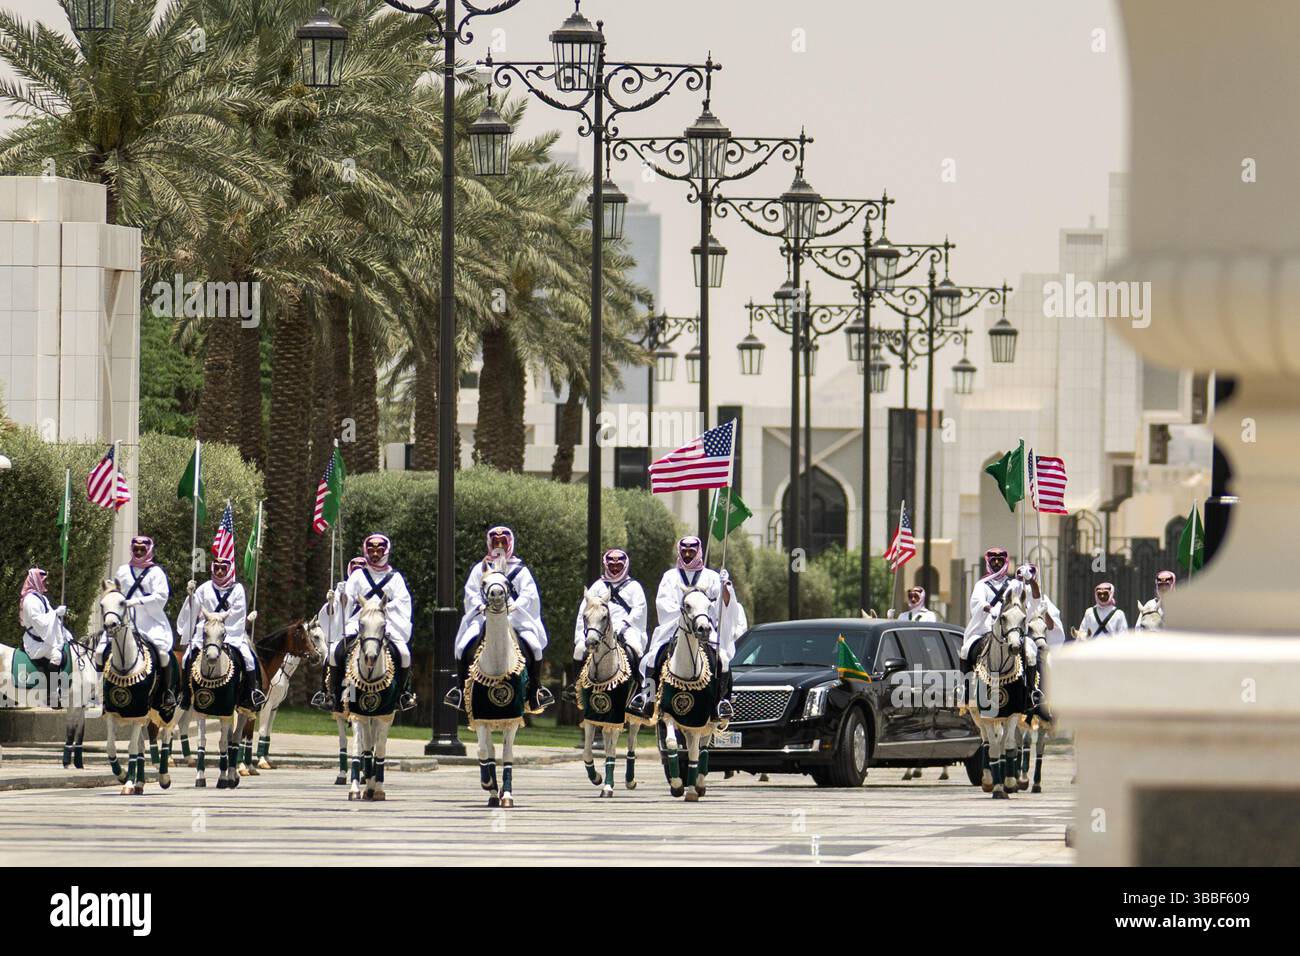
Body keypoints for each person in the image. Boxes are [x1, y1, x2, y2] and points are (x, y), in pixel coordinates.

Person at [632, 536, 741, 720]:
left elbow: (724, 605)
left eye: (692, 551)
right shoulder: (670, 576)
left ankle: (723, 701)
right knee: (652, 658)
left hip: (703, 626)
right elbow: (663, 603)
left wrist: (726, 588)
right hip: (676, 625)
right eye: (685, 551)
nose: (688, 554)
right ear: (679, 552)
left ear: (698, 552)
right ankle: (647, 698)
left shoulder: (712, 577)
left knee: (723, 658)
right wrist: (685, 614)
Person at [447, 526, 551, 712]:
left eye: (504, 542)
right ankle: (461, 692)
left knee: (535, 647)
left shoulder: (520, 570)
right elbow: (471, 592)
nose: (500, 546)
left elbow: (530, 594)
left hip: (515, 618)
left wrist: (516, 605)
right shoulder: (480, 568)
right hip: (484, 617)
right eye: (497, 543)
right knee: (462, 646)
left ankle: (536, 691)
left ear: (510, 544)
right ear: (490, 544)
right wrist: (478, 605)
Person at [97, 536, 176, 712]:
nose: (138, 552)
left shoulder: (156, 572)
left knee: (163, 654)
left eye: (142, 549)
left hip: (149, 621)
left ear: (149, 551)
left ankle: (166, 693)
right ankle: (100, 695)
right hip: (123, 621)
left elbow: (161, 596)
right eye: (136, 549)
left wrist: (138, 601)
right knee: (99, 652)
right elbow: (116, 592)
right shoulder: (123, 570)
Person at [177, 557, 264, 711]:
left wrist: (218, 620)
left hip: (229, 633)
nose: (219, 571)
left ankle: (250, 695)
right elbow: (195, 610)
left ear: (229, 570)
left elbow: (238, 613)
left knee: (249, 659)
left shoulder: (237, 589)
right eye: (216, 567)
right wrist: (191, 596)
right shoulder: (204, 588)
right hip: (205, 633)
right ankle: (184, 694)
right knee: (185, 659)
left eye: (223, 568)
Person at [342, 534, 416, 711]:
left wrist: (384, 607)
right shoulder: (358, 575)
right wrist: (340, 597)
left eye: (379, 550)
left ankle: (402, 695)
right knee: (335, 650)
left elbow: (403, 601)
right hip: (359, 621)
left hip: (386, 622)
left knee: (404, 654)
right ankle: (335, 693)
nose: (375, 554)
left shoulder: (395, 577)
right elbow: (349, 596)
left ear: (386, 551)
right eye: (371, 550)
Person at [572, 548, 647, 673]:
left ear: (625, 565)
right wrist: (586, 630)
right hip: (598, 627)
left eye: (619, 566)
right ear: (606, 566)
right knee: (579, 650)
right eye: (612, 566)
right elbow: (584, 610)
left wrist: (625, 625)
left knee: (636, 648)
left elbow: (639, 609)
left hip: (625, 627)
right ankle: (576, 687)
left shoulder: (634, 586)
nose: (615, 569)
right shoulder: (597, 585)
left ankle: (639, 686)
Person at [312, 556, 365, 710]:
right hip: (346, 629)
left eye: (361, 565)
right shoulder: (342, 587)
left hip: (367, 627)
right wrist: (330, 603)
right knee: (331, 654)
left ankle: (401, 693)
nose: (357, 567)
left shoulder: (371, 585)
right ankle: (327, 694)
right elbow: (332, 614)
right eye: (354, 565)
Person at [959, 546, 1017, 667]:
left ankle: (1031, 684)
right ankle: (966, 684)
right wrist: (990, 609)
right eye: (993, 560)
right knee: (965, 650)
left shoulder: (1013, 584)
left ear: (1005, 562)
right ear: (988, 562)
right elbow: (978, 601)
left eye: (1000, 560)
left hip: (1008, 629)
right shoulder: (982, 585)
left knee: (1030, 652)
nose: (996, 563)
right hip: (984, 628)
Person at [19, 568, 68, 672]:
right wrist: (56, 613)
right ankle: (52, 687)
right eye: (44, 580)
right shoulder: (30, 600)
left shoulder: (42, 598)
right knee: (57, 656)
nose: (47, 583)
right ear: (36, 580)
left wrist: (65, 633)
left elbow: (51, 617)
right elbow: (39, 621)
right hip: (35, 642)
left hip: (43, 639)